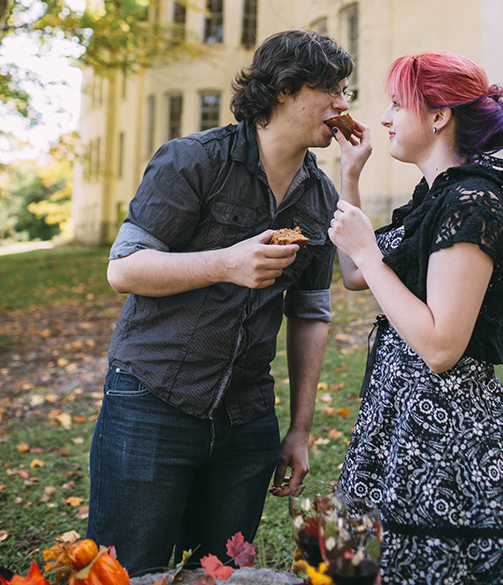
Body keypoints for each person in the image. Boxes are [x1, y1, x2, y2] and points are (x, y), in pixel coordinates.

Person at [89, 29, 358, 574]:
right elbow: (124, 269)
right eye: (329, 88)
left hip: (247, 419)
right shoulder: (193, 162)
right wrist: (226, 262)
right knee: (128, 571)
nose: (342, 104)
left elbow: (310, 313)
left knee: (222, 573)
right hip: (152, 401)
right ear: (284, 89)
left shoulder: (321, 196)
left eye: (344, 90)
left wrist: (299, 429)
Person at [327, 51, 503, 585]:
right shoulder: (434, 198)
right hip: (398, 410)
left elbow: (440, 347)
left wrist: (366, 253)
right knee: (363, 562)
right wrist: (351, 174)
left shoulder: (474, 202)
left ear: (438, 116)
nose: (384, 117)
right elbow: (355, 275)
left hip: (445, 427)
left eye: (395, 103)